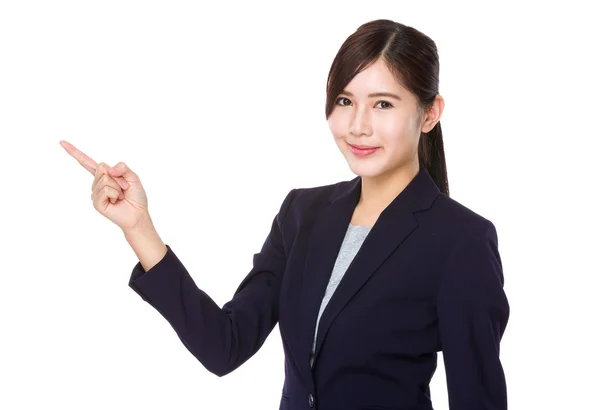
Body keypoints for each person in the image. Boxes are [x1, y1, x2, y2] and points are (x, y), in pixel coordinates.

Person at [61, 19, 509, 410]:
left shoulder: (460, 240)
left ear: (430, 113)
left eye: (384, 104)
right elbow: (225, 346)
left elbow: (478, 400)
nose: (358, 126)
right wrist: (140, 228)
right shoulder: (303, 213)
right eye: (346, 101)